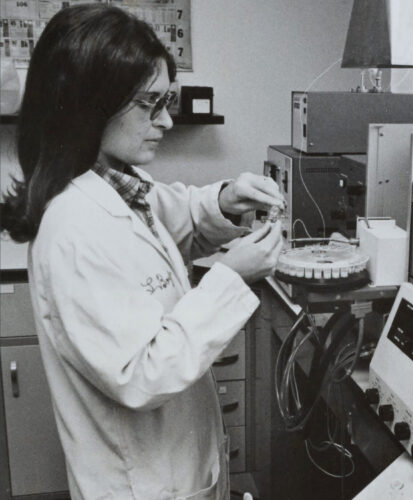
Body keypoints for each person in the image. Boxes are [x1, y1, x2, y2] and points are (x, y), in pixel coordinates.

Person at [0, 4, 284, 499]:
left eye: (166, 101)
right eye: (149, 105)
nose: (167, 121)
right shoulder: (72, 230)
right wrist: (232, 278)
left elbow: (175, 211)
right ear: (91, 104)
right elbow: (142, 374)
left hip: (182, 469)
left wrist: (224, 198)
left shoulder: (116, 183)